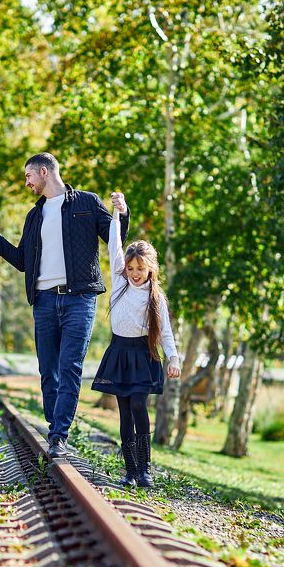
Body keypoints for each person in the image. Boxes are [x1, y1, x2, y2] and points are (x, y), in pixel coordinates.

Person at [0, 153, 129, 458]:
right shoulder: (34, 216)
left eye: (28, 176)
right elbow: (22, 261)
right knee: (48, 370)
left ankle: (59, 435)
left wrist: (122, 213)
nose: (27, 183)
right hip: (44, 301)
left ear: (44, 172)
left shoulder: (87, 202)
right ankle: (54, 427)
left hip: (79, 299)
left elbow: (116, 238)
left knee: (69, 367)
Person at [91, 192, 180, 488]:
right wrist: (118, 212)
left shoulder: (156, 298)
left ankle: (145, 469)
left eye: (140, 268)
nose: (135, 273)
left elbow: (165, 332)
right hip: (119, 353)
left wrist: (173, 358)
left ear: (151, 268)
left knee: (139, 406)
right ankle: (130, 471)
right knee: (125, 412)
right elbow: (114, 244)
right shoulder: (120, 281)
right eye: (131, 268)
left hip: (143, 356)